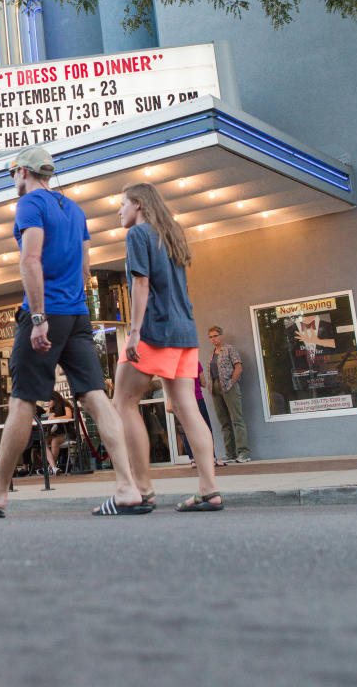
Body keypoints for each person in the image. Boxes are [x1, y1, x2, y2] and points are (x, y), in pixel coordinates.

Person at [0, 145, 151, 518]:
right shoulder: (75, 210)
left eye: (12, 172)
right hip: (77, 314)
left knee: (22, 400)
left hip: (46, 311)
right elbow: (85, 269)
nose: (12, 179)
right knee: (96, 398)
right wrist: (71, 307)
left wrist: (38, 318)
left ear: (23, 172)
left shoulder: (30, 204)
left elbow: (30, 259)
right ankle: (128, 487)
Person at [112, 182, 223, 512]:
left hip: (153, 330)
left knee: (123, 403)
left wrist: (134, 332)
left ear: (138, 205)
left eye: (122, 203)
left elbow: (141, 282)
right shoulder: (172, 234)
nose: (119, 211)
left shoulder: (138, 234)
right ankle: (209, 490)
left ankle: (143, 490)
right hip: (184, 329)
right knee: (187, 407)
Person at [207, 325, 251, 463]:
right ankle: (230, 453)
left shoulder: (229, 349)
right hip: (215, 388)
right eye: (210, 337)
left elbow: (238, 367)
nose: (213, 339)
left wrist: (231, 382)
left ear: (221, 336)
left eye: (215, 336)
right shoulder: (212, 353)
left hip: (228, 386)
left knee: (237, 419)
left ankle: (244, 453)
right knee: (224, 422)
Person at [170, 365, 224, 467]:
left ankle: (193, 459)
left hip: (184, 401)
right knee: (206, 428)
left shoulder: (175, 364)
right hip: (198, 399)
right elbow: (203, 383)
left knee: (187, 430)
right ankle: (212, 458)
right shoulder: (195, 363)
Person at [44, 390, 74, 473]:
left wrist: (55, 418)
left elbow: (68, 416)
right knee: (43, 441)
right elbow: (45, 418)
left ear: (55, 399)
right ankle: (54, 468)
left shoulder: (65, 405)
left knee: (54, 441)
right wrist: (48, 414)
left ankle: (51, 467)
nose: (48, 403)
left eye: (49, 401)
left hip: (66, 433)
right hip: (54, 434)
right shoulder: (50, 408)